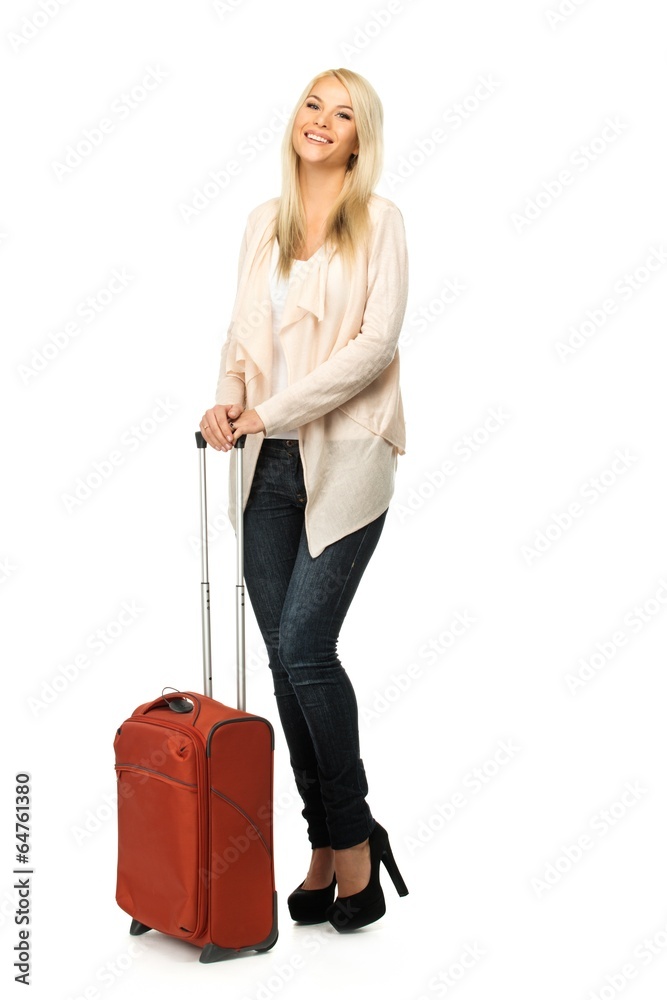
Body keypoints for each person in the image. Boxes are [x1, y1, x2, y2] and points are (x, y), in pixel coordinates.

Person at [200, 67, 409, 932]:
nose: (321, 121)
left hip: (345, 461)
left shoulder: (379, 223)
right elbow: (241, 339)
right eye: (312, 105)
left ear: (360, 140)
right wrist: (224, 401)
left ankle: (354, 841)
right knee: (287, 662)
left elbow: (374, 346)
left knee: (305, 649)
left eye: (342, 113)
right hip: (264, 470)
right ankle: (324, 842)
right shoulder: (262, 225)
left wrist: (269, 411)